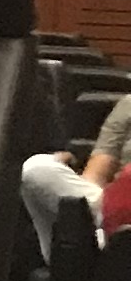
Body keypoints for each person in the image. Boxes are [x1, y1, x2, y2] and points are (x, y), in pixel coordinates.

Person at [23, 90, 131, 261]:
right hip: (115, 205)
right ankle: (73, 258)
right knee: (36, 168)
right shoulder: (128, 105)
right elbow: (94, 177)